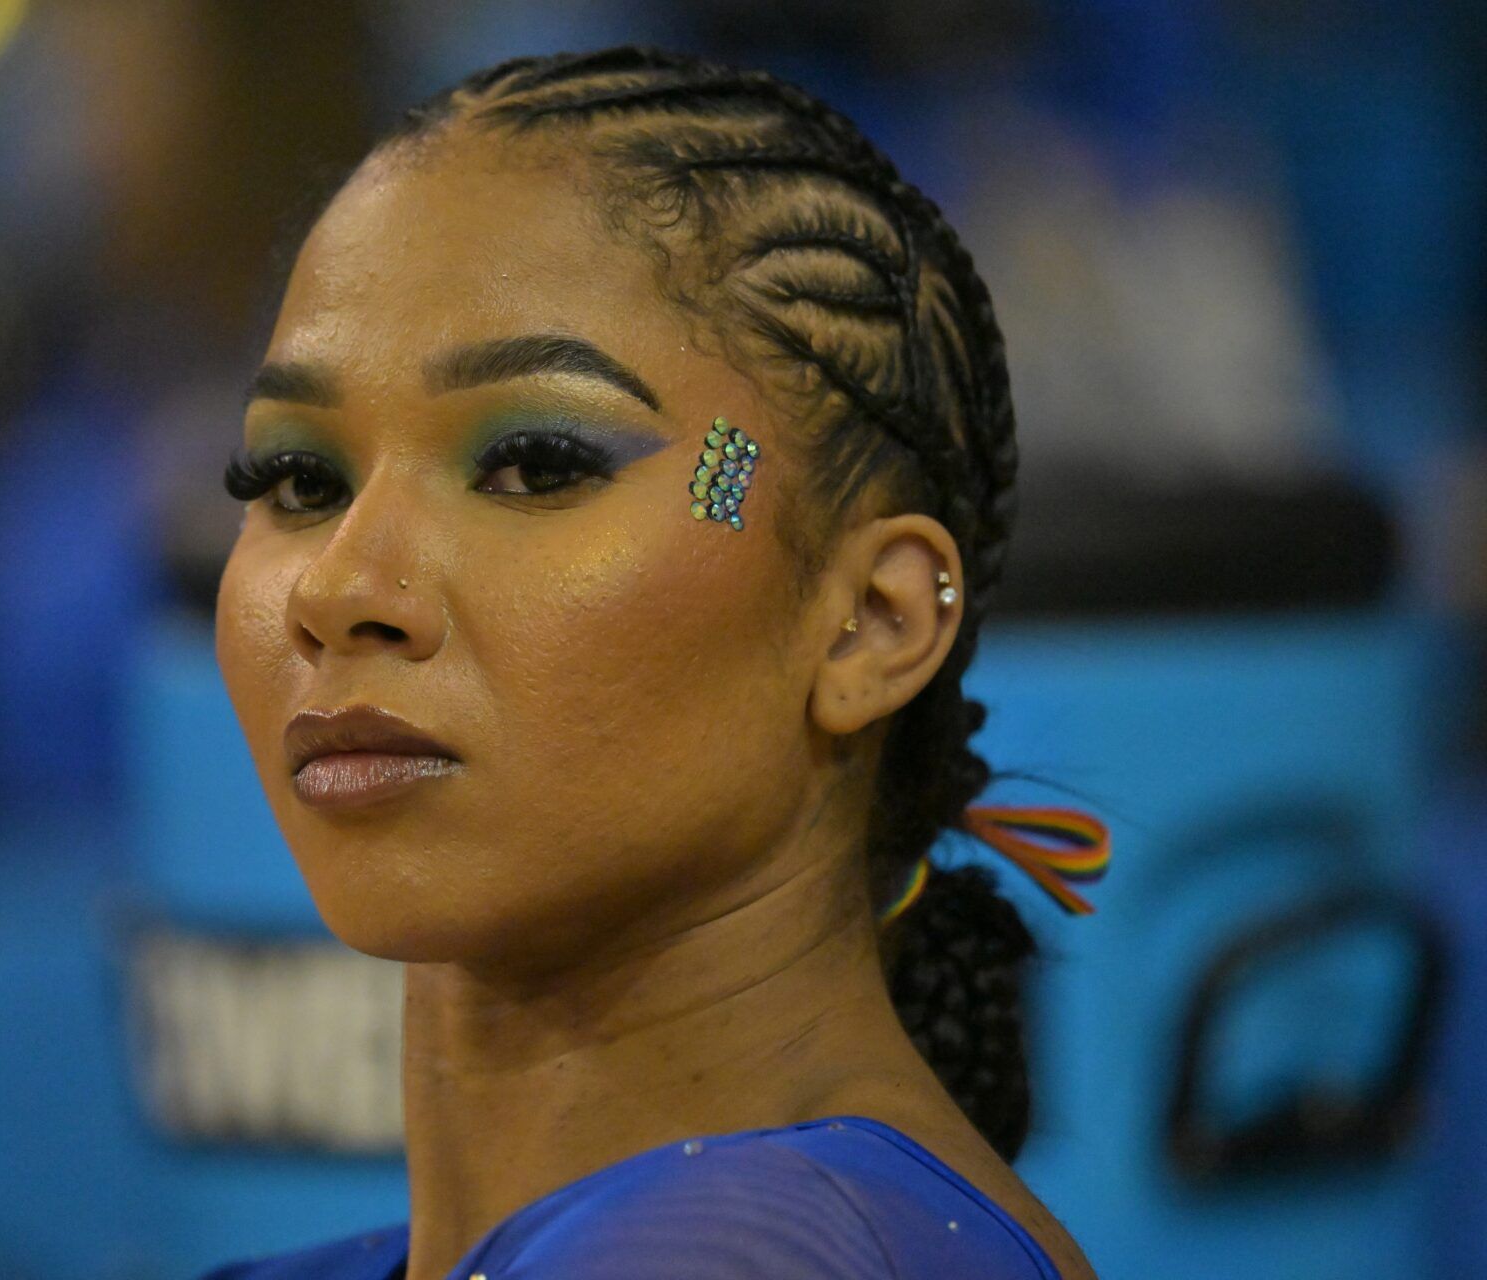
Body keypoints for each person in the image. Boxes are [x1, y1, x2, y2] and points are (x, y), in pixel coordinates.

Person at [205, 45, 1102, 1280]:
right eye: (299, 478)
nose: (342, 591)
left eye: (534, 462)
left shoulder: (735, 1252)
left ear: (869, 621)